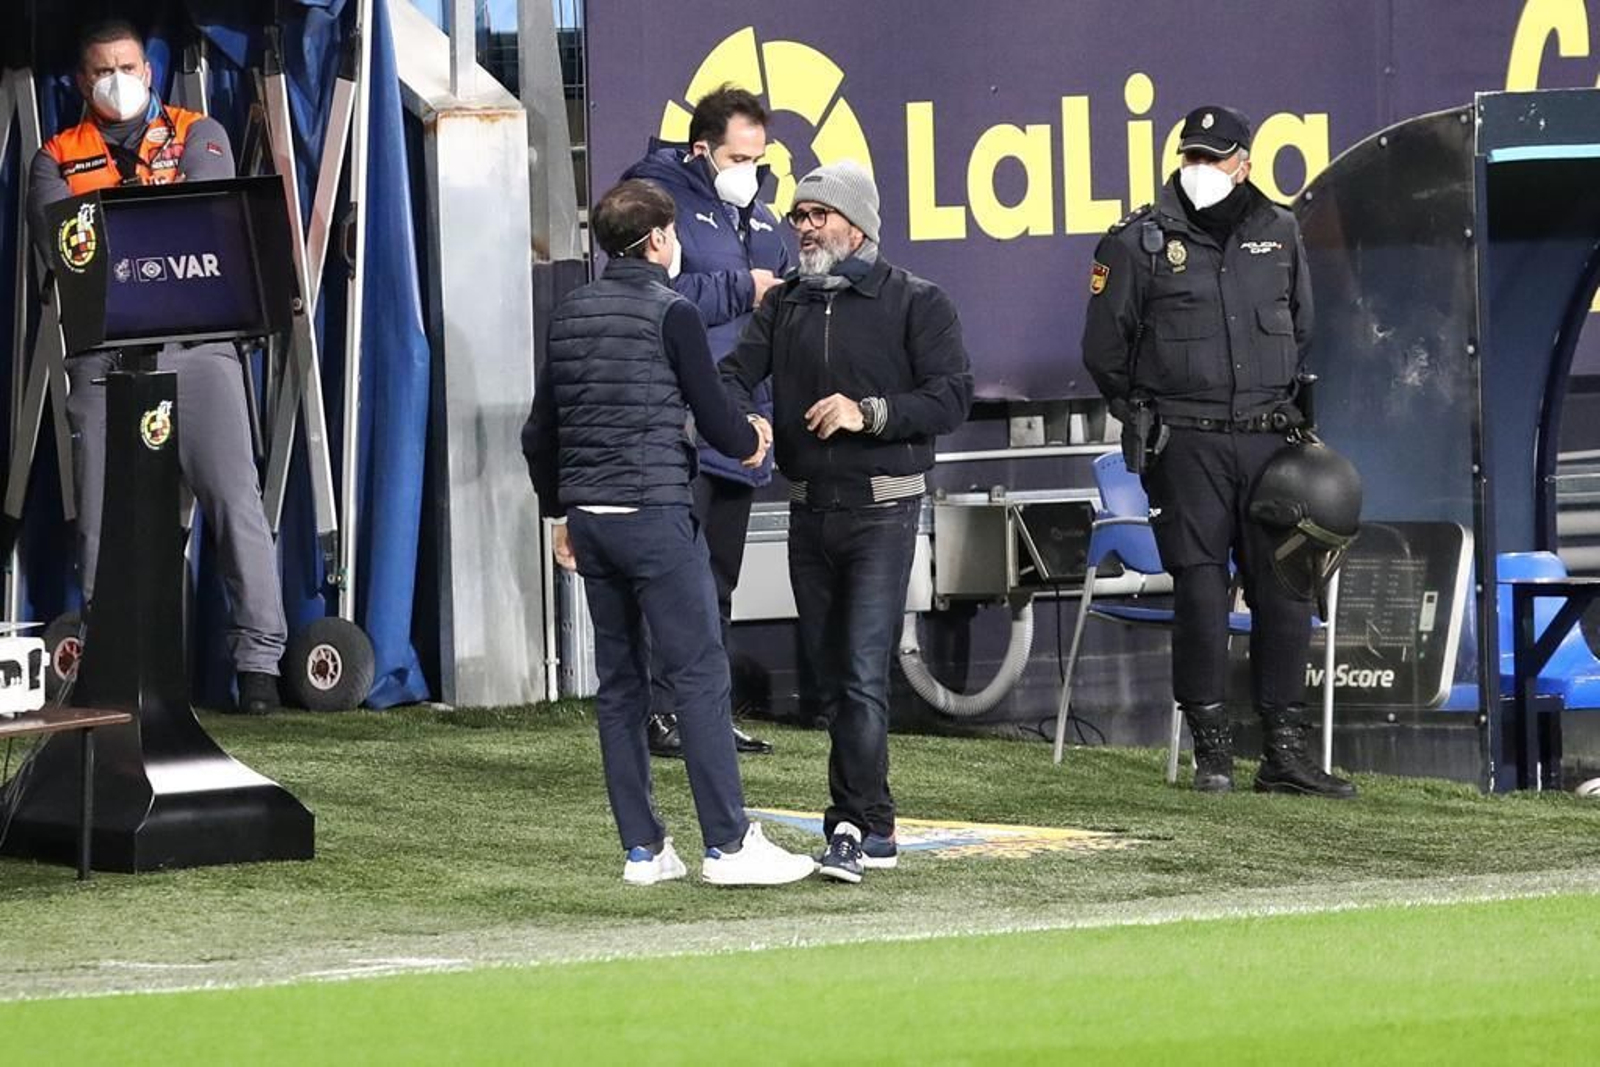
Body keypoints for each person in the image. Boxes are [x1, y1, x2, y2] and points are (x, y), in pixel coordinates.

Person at [522, 178, 814, 887]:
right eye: (674, 231)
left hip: (591, 523)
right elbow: (715, 418)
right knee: (700, 675)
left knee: (621, 684)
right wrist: (752, 438)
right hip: (654, 516)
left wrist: (560, 514)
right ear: (657, 240)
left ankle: (644, 850)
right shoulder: (673, 311)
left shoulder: (569, 313)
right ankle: (728, 846)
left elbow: (539, 432)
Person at [1081, 105, 1355, 799]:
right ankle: (1213, 751)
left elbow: (1303, 327)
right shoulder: (1138, 241)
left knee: (1284, 590)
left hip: (1269, 441)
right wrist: (1146, 415)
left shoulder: (1279, 230)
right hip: (1188, 443)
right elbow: (1105, 351)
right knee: (1201, 590)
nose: (1201, 168)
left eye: (1214, 157)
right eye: (1192, 156)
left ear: (1245, 164)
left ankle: (1284, 754)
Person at [721, 161, 974, 883]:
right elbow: (734, 374)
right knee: (832, 679)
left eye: (818, 215)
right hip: (808, 512)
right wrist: (743, 419)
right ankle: (875, 821)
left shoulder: (917, 301)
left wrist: (869, 413)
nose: (804, 227)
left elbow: (951, 397)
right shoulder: (785, 304)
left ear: (857, 225)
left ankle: (854, 826)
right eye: (798, 215)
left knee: (862, 673)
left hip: (883, 512)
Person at [28, 19, 286, 714]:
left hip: (199, 348)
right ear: (81, 82)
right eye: (103, 70)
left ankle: (258, 665)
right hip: (104, 356)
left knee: (234, 502)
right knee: (101, 516)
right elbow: (68, 250)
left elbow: (204, 218)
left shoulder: (199, 133)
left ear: (148, 71)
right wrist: (138, 229)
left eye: (129, 66)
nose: (118, 80)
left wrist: (117, 226)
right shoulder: (55, 157)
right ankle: (113, 660)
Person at [620, 85, 788, 758]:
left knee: (718, 581)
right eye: (739, 157)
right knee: (674, 580)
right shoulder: (656, 205)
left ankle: (707, 715)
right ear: (701, 149)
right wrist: (745, 288)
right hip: (678, 425)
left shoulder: (766, 219)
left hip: (742, 424)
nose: (751, 168)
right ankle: (660, 712)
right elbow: (652, 292)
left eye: (758, 157)